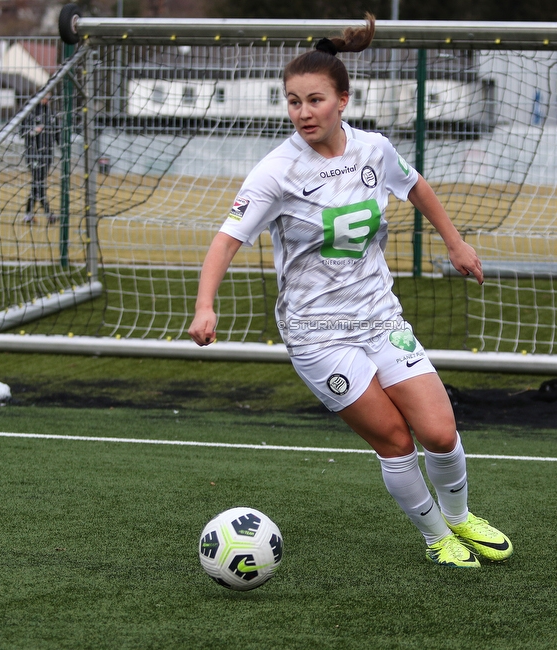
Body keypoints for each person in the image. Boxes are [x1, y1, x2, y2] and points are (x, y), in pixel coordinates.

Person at [188, 14, 513, 568]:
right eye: (293, 102)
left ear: (343, 99)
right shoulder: (275, 172)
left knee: (439, 432)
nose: (303, 112)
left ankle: (462, 518)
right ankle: (438, 537)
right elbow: (225, 241)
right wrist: (205, 306)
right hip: (317, 333)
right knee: (395, 440)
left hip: (379, 316)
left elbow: (416, 187)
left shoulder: (373, 149)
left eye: (314, 100)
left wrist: (456, 244)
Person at [20, 94, 60, 225]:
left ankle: (30, 215)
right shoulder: (29, 112)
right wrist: (34, 130)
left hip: (47, 155)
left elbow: (57, 135)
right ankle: (46, 214)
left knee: (39, 184)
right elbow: (22, 132)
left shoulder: (51, 114)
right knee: (38, 183)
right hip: (33, 154)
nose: (47, 98)